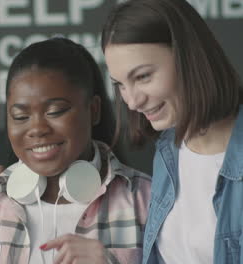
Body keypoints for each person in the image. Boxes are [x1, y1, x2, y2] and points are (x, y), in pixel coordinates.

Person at [0, 37, 151, 264]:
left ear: (94, 110)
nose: (37, 129)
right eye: (20, 116)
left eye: (55, 111)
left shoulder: (145, 199)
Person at [101, 0, 243, 263]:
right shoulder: (169, 153)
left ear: (190, 58)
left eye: (143, 76)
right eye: (120, 84)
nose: (132, 102)